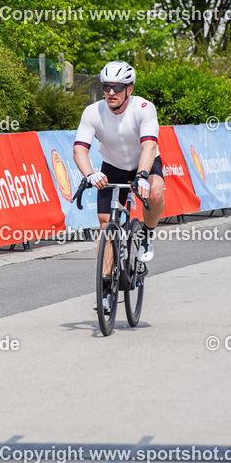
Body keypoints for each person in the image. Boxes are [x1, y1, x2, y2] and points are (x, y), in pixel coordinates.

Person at [72, 60, 165, 310]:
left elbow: (149, 146)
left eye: (117, 87)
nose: (111, 92)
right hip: (111, 166)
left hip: (144, 164)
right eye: (106, 87)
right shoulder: (93, 112)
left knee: (155, 193)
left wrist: (143, 175)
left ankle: (146, 233)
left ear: (129, 89)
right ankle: (104, 290)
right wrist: (90, 174)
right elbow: (79, 149)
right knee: (106, 223)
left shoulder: (144, 108)